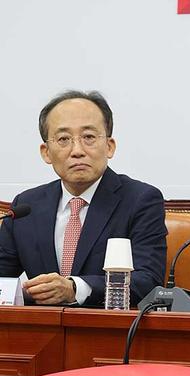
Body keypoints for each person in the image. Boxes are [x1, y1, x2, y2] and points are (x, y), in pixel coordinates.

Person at [0, 90, 167, 306]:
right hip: (42, 325)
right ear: (46, 152)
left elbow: (148, 281)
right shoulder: (26, 206)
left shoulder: (140, 200)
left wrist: (75, 288)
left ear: (109, 146)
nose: (77, 151)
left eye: (88, 137)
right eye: (63, 139)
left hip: (107, 324)